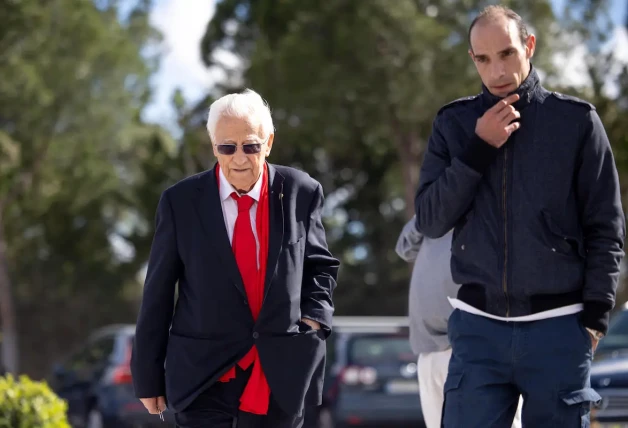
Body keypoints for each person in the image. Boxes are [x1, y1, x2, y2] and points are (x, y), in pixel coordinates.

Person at [414, 5, 625, 427]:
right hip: (477, 333)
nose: (497, 70)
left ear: (529, 46)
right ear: (473, 59)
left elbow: (606, 228)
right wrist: (478, 149)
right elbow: (431, 220)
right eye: (484, 59)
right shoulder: (453, 124)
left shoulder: (576, 122)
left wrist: (594, 320)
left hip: (559, 331)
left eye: (507, 53)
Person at [130, 89, 340, 428]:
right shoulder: (180, 202)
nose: (239, 158)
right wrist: (147, 375)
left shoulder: (302, 191)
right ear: (214, 146)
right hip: (203, 375)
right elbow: (157, 292)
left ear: (268, 142)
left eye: (251, 146)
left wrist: (313, 324)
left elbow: (319, 267)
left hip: (279, 372)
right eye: (227, 147)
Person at [395, 219, 522, 428]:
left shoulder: (493, 209)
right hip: (428, 351)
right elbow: (404, 247)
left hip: (477, 350)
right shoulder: (436, 212)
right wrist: (432, 211)